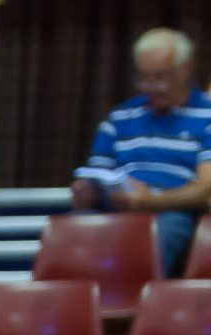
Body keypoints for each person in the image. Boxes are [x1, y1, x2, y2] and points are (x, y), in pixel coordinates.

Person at [75, 30, 211, 281]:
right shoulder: (120, 117)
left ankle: (139, 309)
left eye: (160, 77)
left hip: (174, 211)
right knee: (75, 226)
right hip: (117, 208)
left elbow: (205, 188)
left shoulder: (207, 116)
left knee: (165, 231)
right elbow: (99, 172)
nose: (151, 87)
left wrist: (151, 201)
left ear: (187, 68)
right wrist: (89, 191)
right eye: (144, 77)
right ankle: (81, 307)